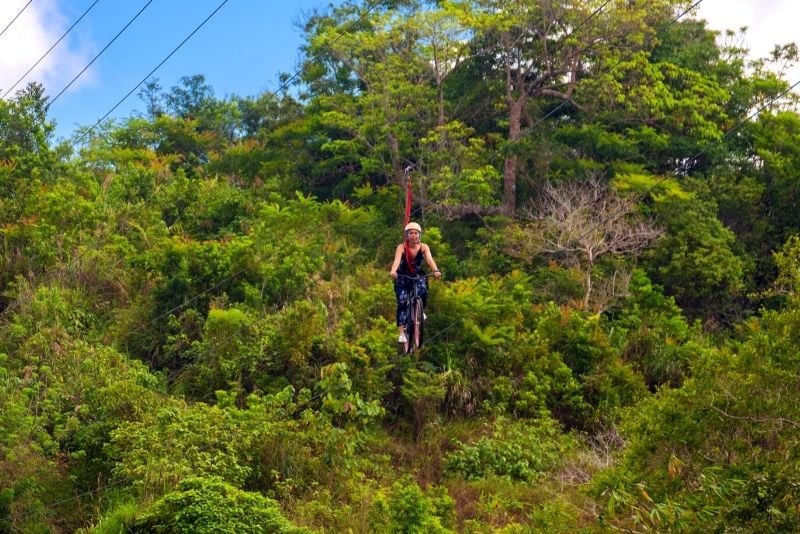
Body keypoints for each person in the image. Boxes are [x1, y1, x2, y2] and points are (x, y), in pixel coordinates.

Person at [389, 222, 441, 343]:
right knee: (402, 301)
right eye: (411, 233)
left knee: (423, 289)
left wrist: (436, 270)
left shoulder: (424, 247)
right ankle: (402, 333)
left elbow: (429, 259)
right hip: (402, 276)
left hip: (416, 275)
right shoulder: (401, 247)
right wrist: (393, 271)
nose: (414, 235)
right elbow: (396, 261)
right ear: (407, 235)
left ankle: (419, 311)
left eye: (416, 233)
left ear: (419, 235)